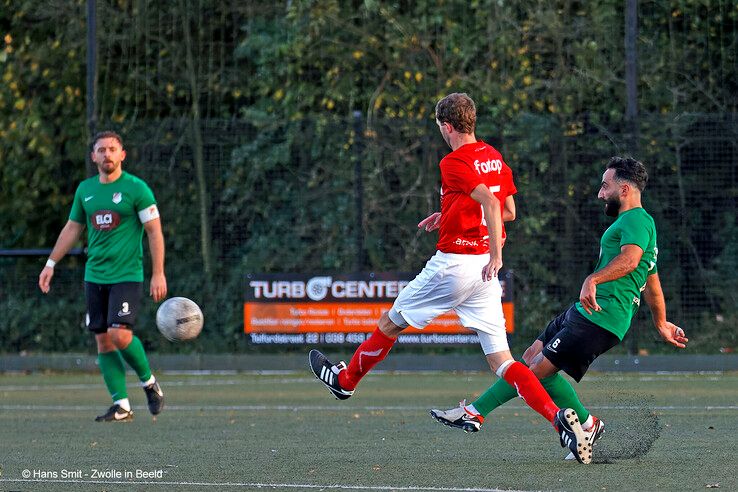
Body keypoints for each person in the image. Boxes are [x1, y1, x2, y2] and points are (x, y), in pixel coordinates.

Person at [309, 93, 593, 464]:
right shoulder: (492, 156)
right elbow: (508, 210)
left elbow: (492, 207)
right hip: (483, 276)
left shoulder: (453, 161)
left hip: (455, 265)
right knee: (505, 363)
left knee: (390, 323)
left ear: (446, 126)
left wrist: (496, 255)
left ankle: (345, 383)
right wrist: (449, 214)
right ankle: (562, 425)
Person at [430, 156, 688, 459]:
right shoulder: (637, 224)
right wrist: (661, 321)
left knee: (537, 371)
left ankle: (475, 412)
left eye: (605, 186)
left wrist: (593, 279)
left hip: (603, 317)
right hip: (585, 309)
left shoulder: (636, 220)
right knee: (529, 359)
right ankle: (588, 423)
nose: (600, 193)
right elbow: (651, 277)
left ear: (626, 189)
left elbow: (632, 261)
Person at [39, 131, 167, 422]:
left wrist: (157, 273)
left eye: (112, 149)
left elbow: (154, 231)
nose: (107, 154)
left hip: (127, 274)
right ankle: (121, 405)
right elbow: (72, 228)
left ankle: (149, 383)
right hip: (94, 275)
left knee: (119, 334)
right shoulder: (86, 190)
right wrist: (51, 263)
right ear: (93, 156)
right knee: (103, 340)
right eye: (101, 150)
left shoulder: (137, 188)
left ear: (122, 154)